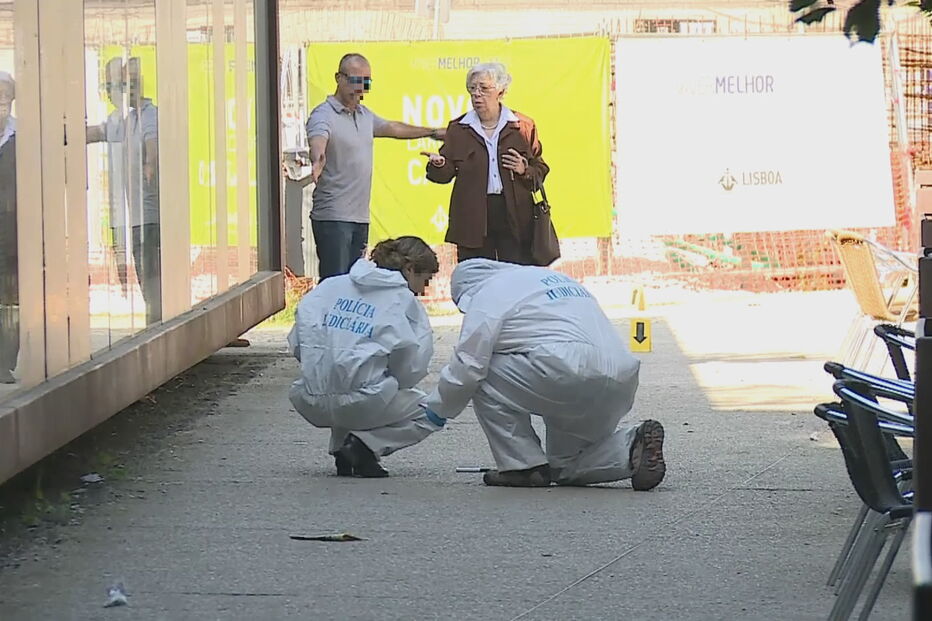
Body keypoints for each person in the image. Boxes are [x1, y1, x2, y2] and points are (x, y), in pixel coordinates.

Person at [424, 259, 666, 489]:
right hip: (619, 375)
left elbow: (468, 365)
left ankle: (522, 466)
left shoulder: (488, 292)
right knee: (566, 466)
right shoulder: (551, 278)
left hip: (564, 371)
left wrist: (437, 409)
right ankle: (633, 445)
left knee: (481, 371)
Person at [287, 236, 444, 477]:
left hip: (310, 399)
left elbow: (300, 342)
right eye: (425, 280)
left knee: (343, 375)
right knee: (434, 410)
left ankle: (342, 450)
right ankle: (365, 445)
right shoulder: (402, 301)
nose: (423, 290)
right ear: (410, 269)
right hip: (364, 401)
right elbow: (411, 368)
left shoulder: (330, 287)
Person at [304, 53, 446, 281]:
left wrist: (432, 132)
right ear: (338, 78)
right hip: (333, 217)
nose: (360, 89)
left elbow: (393, 128)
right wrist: (317, 158)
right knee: (335, 283)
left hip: (359, 217)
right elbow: (318, 140)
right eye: (354, 81)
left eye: (366, 83)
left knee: (355, 281)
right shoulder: (323, 115)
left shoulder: (364, 115)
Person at [422, 62, 549, 265]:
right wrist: (438, 165)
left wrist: (525, 169)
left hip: (514, 216)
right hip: (473, 216)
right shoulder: (459, 128)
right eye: (472, 89)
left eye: (484, 88)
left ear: (501, 91)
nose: (476, 95)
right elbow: (445, 174)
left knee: (514, 277)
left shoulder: (523, 126)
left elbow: (540, 169)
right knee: (477, 276)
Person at [87, 57, 161, 325]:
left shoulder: (149, 116)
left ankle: (157, 327)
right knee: (145, 278)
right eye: (110, 85)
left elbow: (152, 145)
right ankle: (155, 326)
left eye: (120, 84)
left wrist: (150, 164)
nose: (114, 91)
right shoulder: (124, 120)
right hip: (136, 217)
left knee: (152, 279)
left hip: (151, 216)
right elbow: (97, 132)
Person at [0, 71, 17, 383]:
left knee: (12, 297)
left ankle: (5, 364)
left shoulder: (22, 135)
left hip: (15, 228)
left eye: (6, 95)